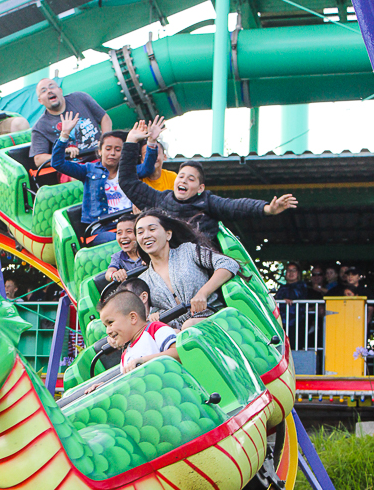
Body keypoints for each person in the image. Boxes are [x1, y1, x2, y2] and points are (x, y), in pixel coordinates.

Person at [119, 121, 298, 240]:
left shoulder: (208, 202)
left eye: (191, 179)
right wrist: (131, 141)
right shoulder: (161, 200)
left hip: (201, 260)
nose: (183, 181)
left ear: (200, 187)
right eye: (181, 177)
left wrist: (267, 208)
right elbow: (128, 182)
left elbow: (236, 206)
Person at [51, 115, 159, 243]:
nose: (112, 153)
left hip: (131, 222)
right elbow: (57, 163)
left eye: (118, 150)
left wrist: (151, 142)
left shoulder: (128, 170)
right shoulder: (88, 170)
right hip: (102, 227)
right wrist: (64, 134)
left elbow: (147, 168)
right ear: (100, 151)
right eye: (108, 149)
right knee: (120, 240)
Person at [134, 210, 239, 330]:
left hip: (214, 319)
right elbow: (144, 316)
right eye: (140, 232)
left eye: (152, 229)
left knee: (189, 326)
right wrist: (154, 315)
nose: (146, 235)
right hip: (178, 335)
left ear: (168, 234)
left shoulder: (188, 250)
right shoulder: (143, 280)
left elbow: (229, 263)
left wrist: (203, 293)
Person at [30, 79, 112, 168]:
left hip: (100, 157)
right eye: (44, 91)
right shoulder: (40, 127)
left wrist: (105, 141)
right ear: (40, 101)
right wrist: (63, 153)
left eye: (52, 87)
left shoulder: (80, 98)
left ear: (60, 91)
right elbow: (38, 159)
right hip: (73, 167)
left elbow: (105, 118)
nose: (49, 91)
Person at [98, 289, 179, 374]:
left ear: (132, 318)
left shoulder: (154, 329)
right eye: (105, 326)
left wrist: (144, 361)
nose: (108, 331)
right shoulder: (125, 356)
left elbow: (179, 352)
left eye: (110, 323)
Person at [105, 214, 143, 282]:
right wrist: (114, 274)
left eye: (129, 231)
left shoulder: (147, 251)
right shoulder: (118, 257)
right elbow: (108, 273)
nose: (123, 236)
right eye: (119, 233)